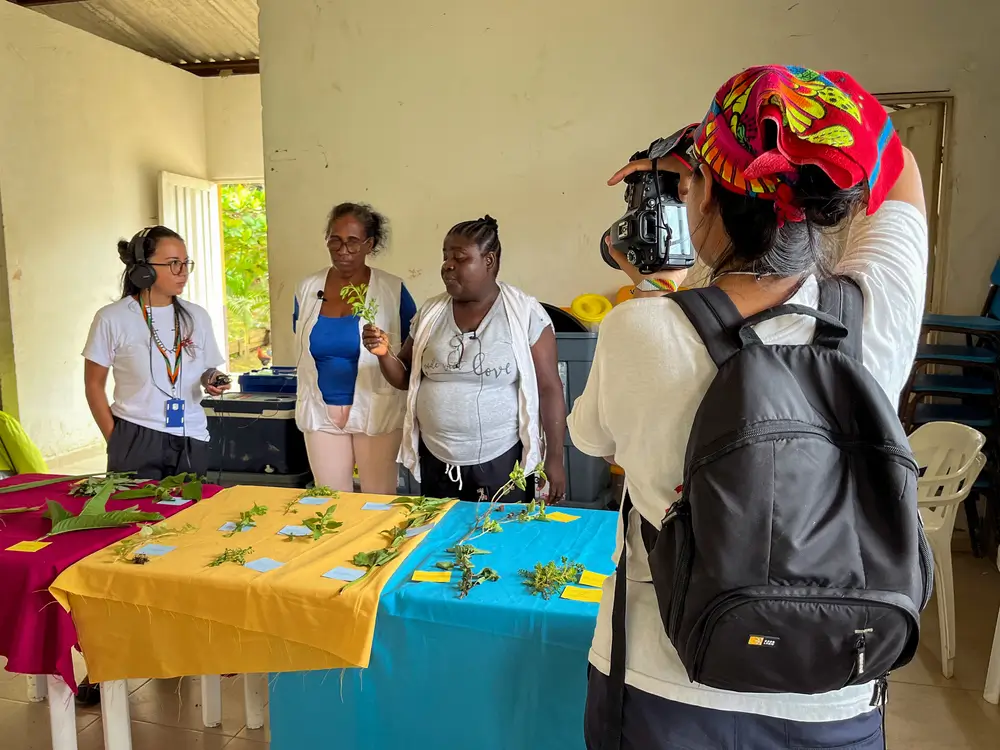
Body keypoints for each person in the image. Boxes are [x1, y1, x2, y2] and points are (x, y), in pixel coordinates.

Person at [569, 66, 928, 749]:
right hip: (838, 686)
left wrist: (659, 290)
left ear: (705, 196)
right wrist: (725, 145)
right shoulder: (873, 311)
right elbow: (898, 158)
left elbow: (591, 440)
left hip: (666, 686)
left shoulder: (638, 329)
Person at [365, 215, 567, 504]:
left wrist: (555, 459)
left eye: (459, 258)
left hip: (501, 458)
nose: (448, 265)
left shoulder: (525, 313)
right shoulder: (430, 313)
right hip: (437, 456)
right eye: (445, 257)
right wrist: (384, 354)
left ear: (489, 261)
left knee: (498, 529)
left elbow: (549, 388)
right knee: (441, 528)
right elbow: (405, 378)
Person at [83, 226, 230, 481]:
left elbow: (206, 368)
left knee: (189, 507)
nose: (183, 272)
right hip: (135, 434)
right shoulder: (112, 318)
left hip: (191, 434)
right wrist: (115, 440)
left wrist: (212, 378)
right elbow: (93, 385)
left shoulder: (197, 316)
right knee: (135, 505)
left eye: (185, 263)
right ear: (144, 269)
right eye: (173, 263)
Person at [294, 202, 416, 493]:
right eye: (335, 241)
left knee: (378, 499)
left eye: (352, 242)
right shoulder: (308, 288)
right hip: (320, 410)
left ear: (368, 245)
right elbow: (304, 345)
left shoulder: (392, 289)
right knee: (329, 500)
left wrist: (384, 350)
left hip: (376, 408)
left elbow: (411, 356)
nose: (343, 250)